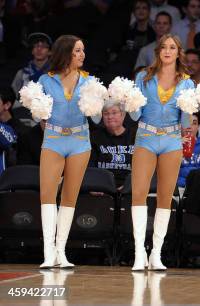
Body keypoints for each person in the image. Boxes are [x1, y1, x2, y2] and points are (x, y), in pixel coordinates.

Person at [129, 33, 195, 271]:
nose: (168, 51)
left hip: (171, 139)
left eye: (173, 48)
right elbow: (134, 116)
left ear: (179, 53)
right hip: (146, 137)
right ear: (158, 51)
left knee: (166, 196)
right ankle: (139, 252)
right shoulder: (143, 78)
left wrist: (191, 107)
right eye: (164, 47)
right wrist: (130, 102)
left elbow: (186, 121)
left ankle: (156, 253)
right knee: (139, 193)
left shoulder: (187, 83)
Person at [38, 35, 102, 269]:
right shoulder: (46, 80)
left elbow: (96, 117)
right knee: (47, 195)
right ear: (65, 53)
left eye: (83, 50)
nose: (82, 55)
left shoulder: (89, 81)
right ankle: (48, 253)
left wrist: (97, 103)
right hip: (54, 140)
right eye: (77, 51)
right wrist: (39, 113)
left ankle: (60, 251)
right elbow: (39, 116)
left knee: (69, 196)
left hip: (79, 141)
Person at [89, 101, 136, 190]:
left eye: (114, 113)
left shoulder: (136, 137)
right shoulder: (94, 137)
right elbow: (90, 167)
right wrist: (93, 186)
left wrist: (130, 185)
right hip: (101, 187)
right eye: (106, 114)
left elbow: (143, 168)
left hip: (130, 188)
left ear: (123, 115)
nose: (110, 117)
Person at [12, 32, 52, 98]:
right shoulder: (22, 73)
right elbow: (13, 96)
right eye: (36, 46)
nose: (39, 49)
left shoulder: (57, 73)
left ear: (50, 52)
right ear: (32, 51)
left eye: (43, 46)